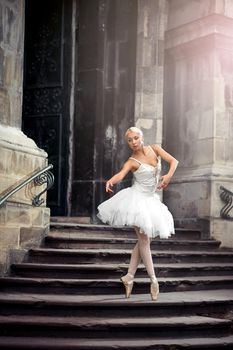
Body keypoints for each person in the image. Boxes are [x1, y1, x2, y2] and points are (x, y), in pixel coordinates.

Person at [97, 127, 179, 301]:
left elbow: (174, 161)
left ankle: (129, 277)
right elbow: (121, 174)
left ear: (142, 137)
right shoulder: (132, 161)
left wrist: (168, 176)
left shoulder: (155, 148)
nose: (133, 142)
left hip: (151, 200)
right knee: (144, 240)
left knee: (143, 241)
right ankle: (153, 280)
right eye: (129, 140)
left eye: (135, 138)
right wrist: (111, 180)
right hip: (136, 200)